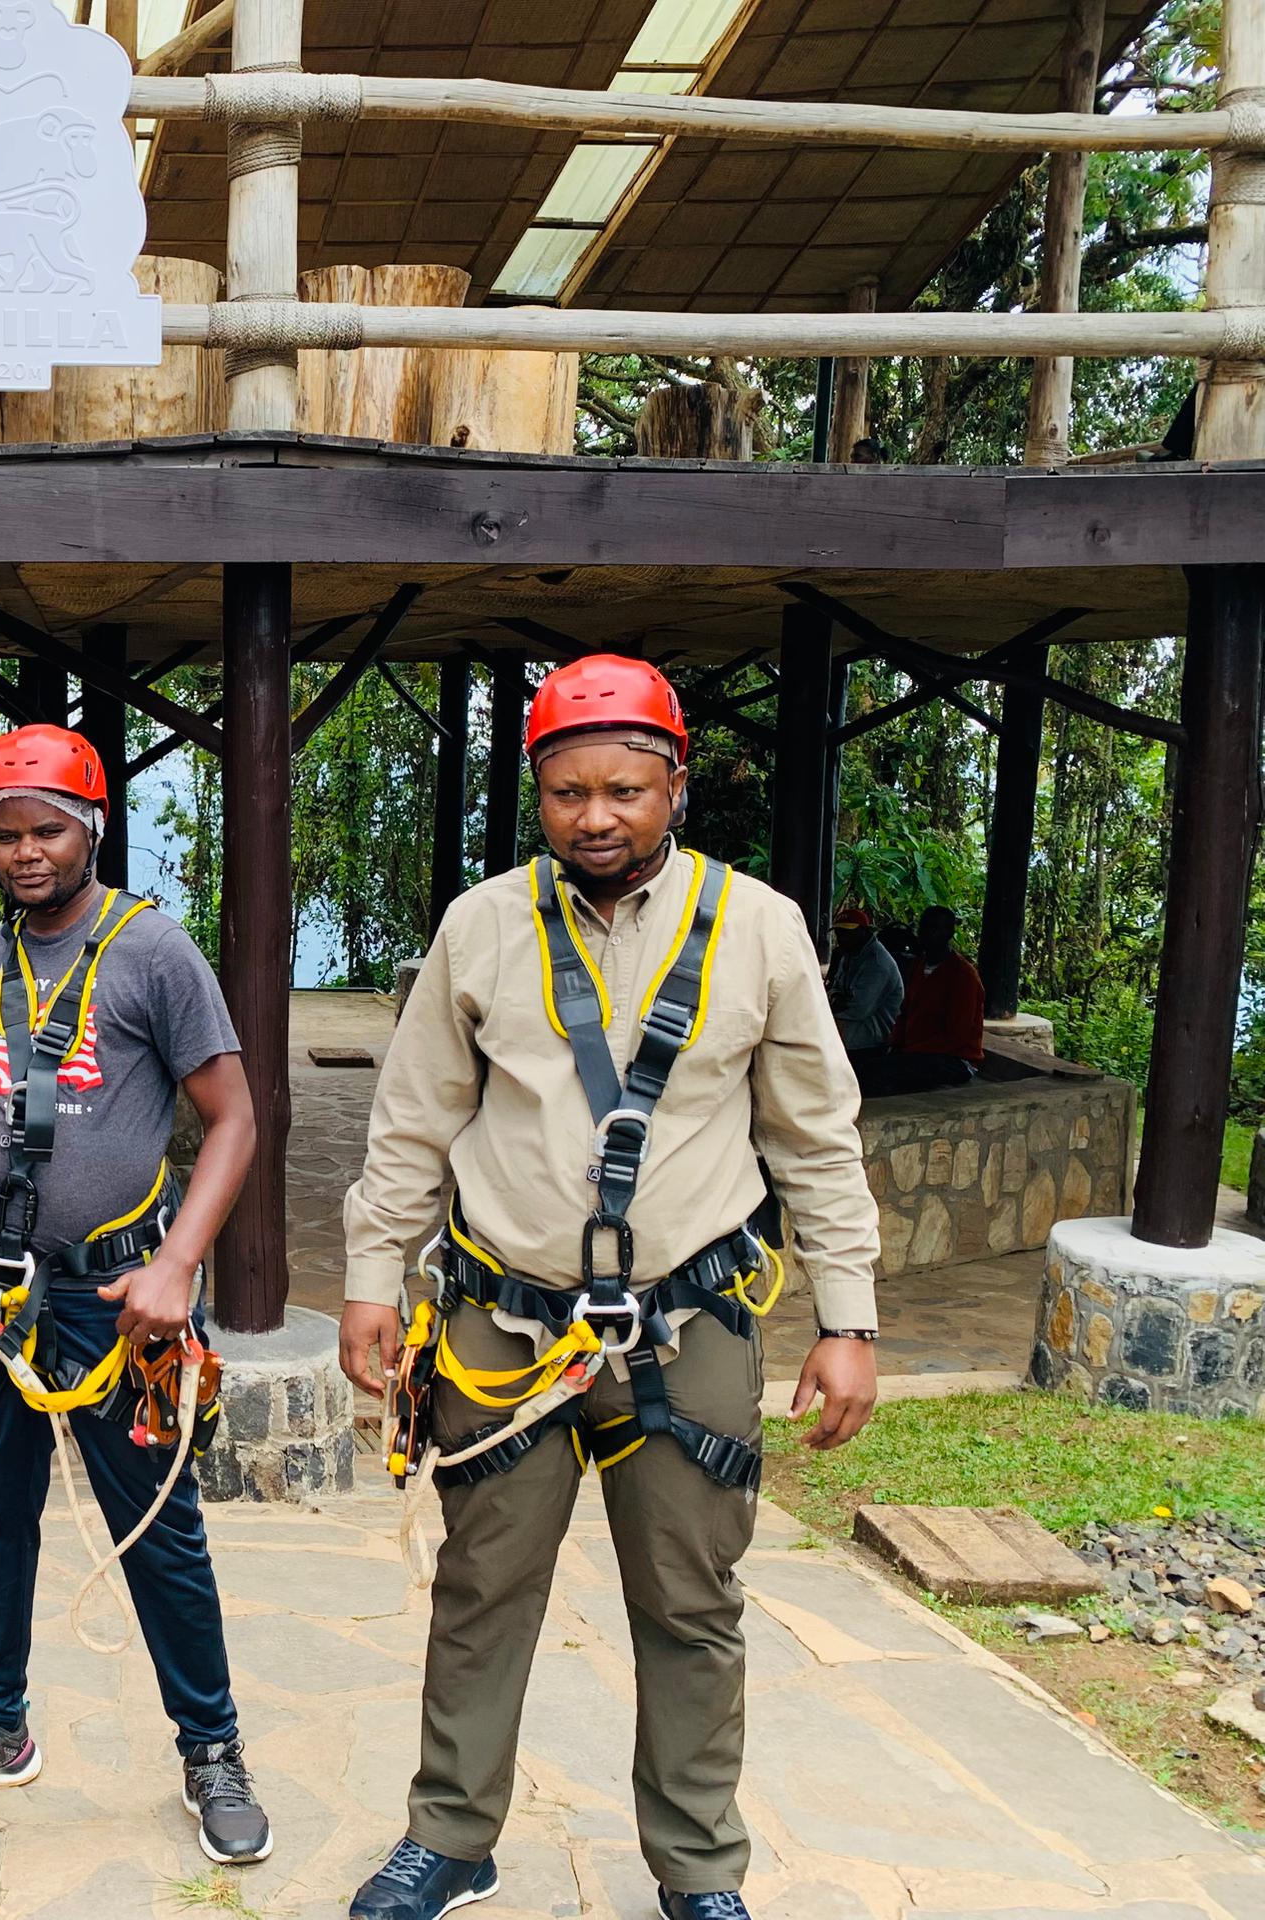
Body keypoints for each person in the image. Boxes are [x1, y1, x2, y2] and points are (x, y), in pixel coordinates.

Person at [336, 656, 881, 1920]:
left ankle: (697, 1870)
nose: (595, 817)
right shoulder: (481, 926)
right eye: (568, 792)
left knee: (691, 1603)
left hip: (688, 1322)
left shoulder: (757, 929)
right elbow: (413, 1120)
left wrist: (847, 1318)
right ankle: (451, 1836)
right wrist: (371, 1276)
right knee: (481, 1589)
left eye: (624, 791)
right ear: (538, 793)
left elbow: (814, 1138)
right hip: (504, 1324)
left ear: (675, 786)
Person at [0, 724, 273, 1867]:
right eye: (5, 835)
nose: (25, 852)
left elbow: (234, 1118)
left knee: (156, 1526)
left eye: (47, 830)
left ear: (91, 831)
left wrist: (177, 1264)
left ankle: (211, 1748)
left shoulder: (151, 952)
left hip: (114, 1293)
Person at [857, 905, 985, 1096]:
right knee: (862, 1064)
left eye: (935, 928)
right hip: (917, 1052)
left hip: (954, 1059)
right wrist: (895, 1044)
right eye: (924, 928)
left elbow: (957, 1036)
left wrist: (911, 1050)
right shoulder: (919, 965)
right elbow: (905, 1013)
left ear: (949, 933)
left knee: (879, 1076)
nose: (926, 934)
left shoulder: (963, 975)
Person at [824, 904, 903, 1064]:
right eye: (839, 934)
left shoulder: (877, 963)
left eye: (847, 933)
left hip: (872, 1035)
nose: (841, 939)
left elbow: (858, 1009)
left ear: (863, 932)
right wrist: (836, 997)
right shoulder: (849, 954)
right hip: (853, 1027)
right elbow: (835, 989)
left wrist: (834, 1004)